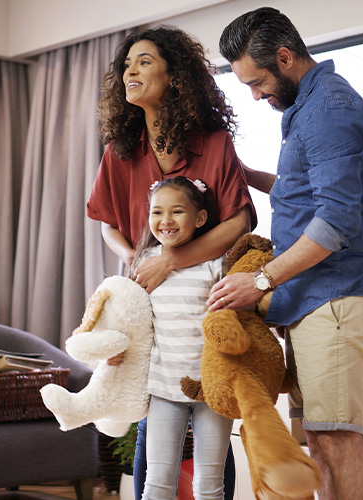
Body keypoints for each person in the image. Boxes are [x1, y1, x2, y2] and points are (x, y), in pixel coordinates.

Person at [208, 7, 363, 500]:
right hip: (313, 301)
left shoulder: (330, 109)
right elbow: (302, 193)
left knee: (338, 440)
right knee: (318, 441)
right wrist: (244, 175)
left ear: (285, 57)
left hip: (335, 299)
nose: (256, 94)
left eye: (258, 81)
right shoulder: (308, 109)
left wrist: (262, 280)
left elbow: (335, 224)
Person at [87, 26, 270, 499]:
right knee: (155, 425)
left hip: (207, 300)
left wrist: (169, 260)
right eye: (127, 64)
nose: (130, 70)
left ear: (177, 76)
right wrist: (134, 259)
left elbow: (240, 220)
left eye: (144, 61)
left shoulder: (212, 142)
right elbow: (107, 221)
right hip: (149, 301)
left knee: (215, 431)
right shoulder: (119, 152)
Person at [130, 176, 234, 500]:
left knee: (209, 483)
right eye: (157, 212)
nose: (166, 221)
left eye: (177, 211)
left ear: (200, 218)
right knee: (157, 482)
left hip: (213, 388)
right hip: (163, 387)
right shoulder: (146, 264)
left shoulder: (217, 263)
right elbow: (132, 318)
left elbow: (236, 319)